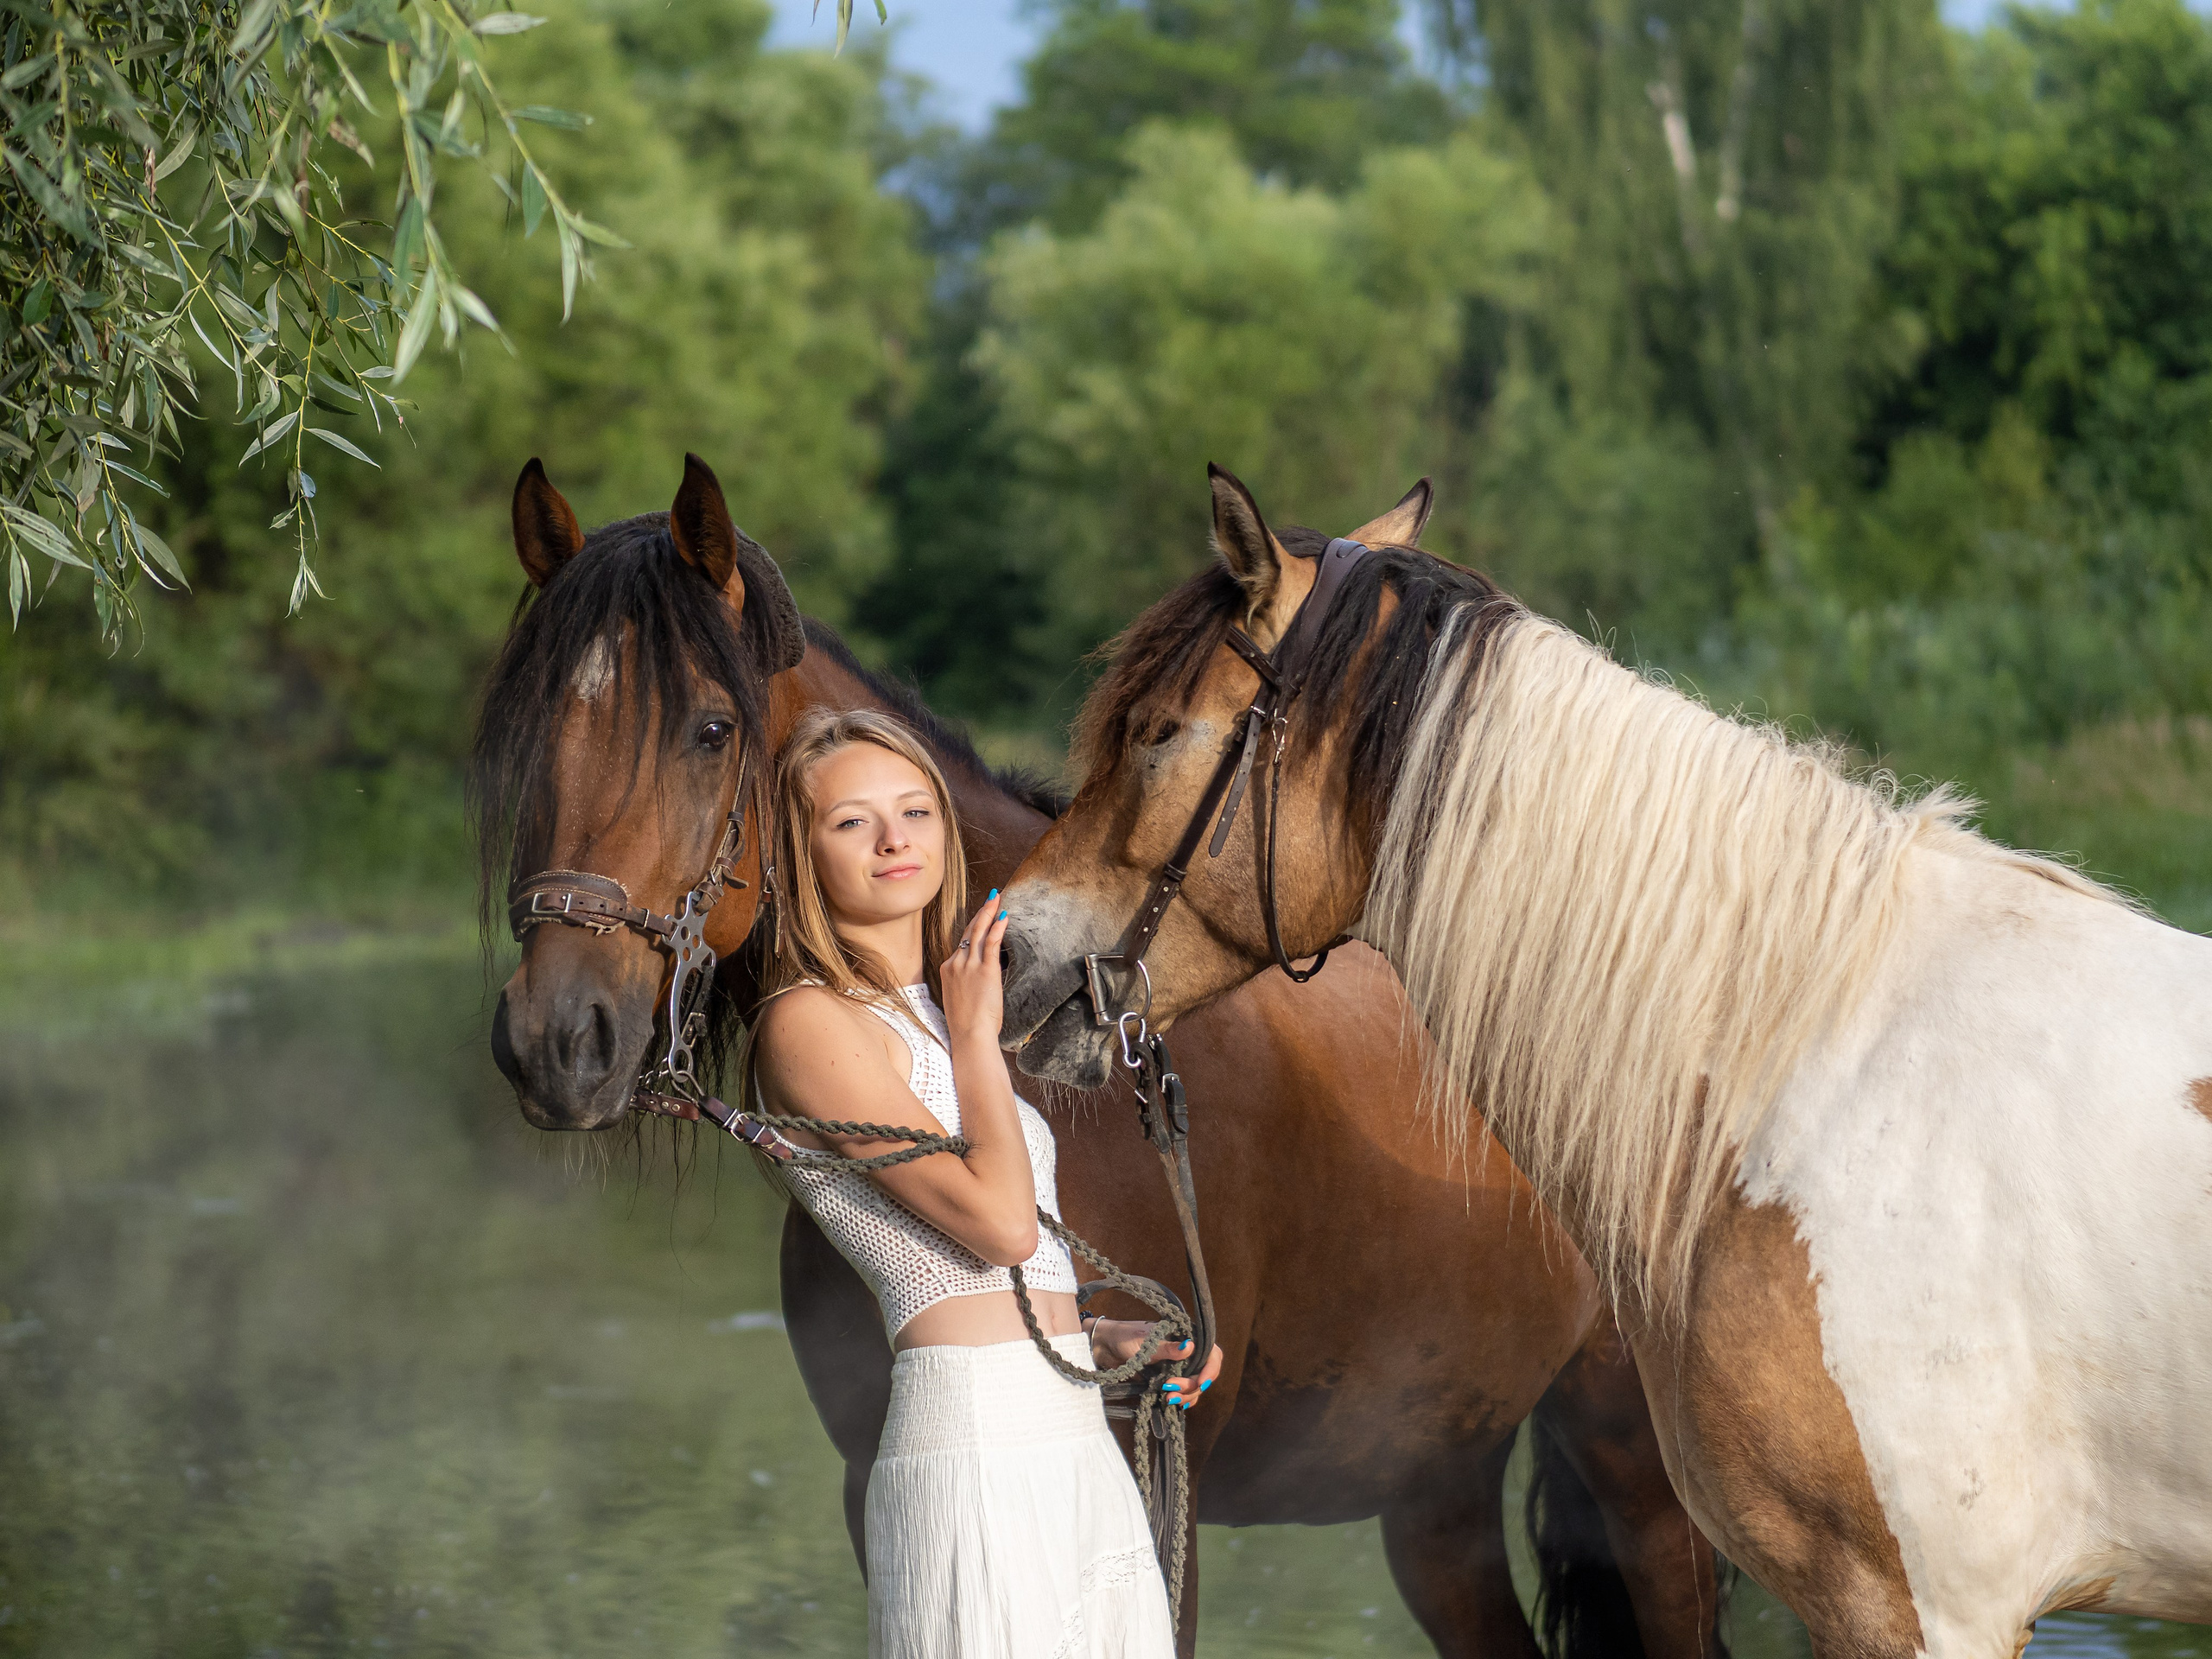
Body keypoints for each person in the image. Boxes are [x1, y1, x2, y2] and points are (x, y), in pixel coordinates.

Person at [745, 708, 1220, 1659]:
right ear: (801, 853)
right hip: (971, 1447)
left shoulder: (936, 1006)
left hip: (1071, 1428)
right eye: (851, 822)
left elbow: (990, 1265)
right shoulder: (808, 1024)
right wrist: (973, 1036)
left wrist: (1096, 1334)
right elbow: (1001, 1226)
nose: (893, 840)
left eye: (915, 810)